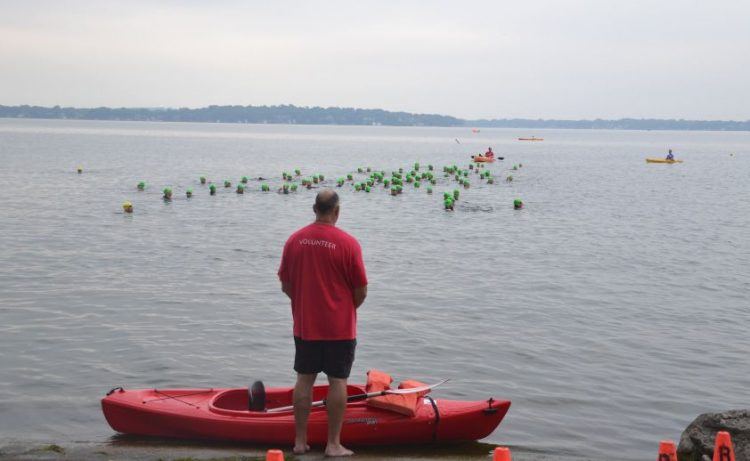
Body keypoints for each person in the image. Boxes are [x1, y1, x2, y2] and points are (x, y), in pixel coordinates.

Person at [278, 189, 368, 457]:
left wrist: (305, 303)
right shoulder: (348, 243)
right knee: (338, 380)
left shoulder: (294, 240)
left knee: (304, 379)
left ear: (314, 208)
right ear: (337, 211)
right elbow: (361, 290)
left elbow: (285, 284)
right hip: (339, 327)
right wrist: (345, 308)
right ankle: (333, 444)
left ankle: (300, 442)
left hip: (306, 325)